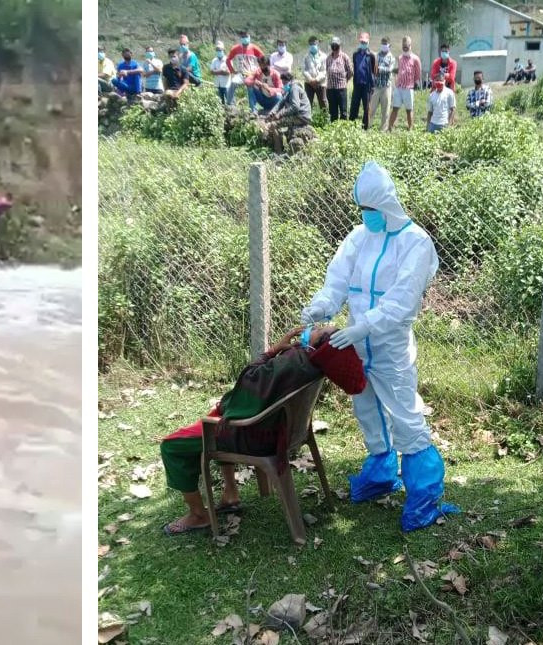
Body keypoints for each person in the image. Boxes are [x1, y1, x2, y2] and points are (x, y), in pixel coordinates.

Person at [301, 161, 457, 532]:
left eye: (370, 209)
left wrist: (363, 328)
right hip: (355, 345)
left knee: (405, 416)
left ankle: (424, 496)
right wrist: (321, 305)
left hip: (388, 347)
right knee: (367, 411)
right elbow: (337, 280)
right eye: (362, 210)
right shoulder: (359, 237)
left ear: (386, 205)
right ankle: (381, 473)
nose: (366, 216)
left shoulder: (415, 242)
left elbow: (402, 301)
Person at [159, 325, 367, 535]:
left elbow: (248, 378)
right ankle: (230, 494)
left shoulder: (292, 363)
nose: (314, 327)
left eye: (320, 329)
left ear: (318, 344)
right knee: (218, 414)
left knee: (172, 445)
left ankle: (197, 515)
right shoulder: (312, 364)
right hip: (279, 432)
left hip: (253, 435)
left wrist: (273, 350)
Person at [264, 72, 313, 152]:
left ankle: (278, 151)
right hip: (297, 115)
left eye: (285, 83)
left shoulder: (295, 88)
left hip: (301, 117)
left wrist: (280, 114)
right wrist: (272, 113)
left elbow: (295, 107)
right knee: (277, 122)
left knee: (274, 125)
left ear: (290, 81)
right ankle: (282, 146)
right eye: (283, 83)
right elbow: (281, 102)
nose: (284, 85)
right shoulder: (289, 89)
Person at [388, 36, 422, 132]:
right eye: (403, 46)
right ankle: (390, 127)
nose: (405, 48)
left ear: (410, 46)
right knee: (395, 108)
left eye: (407, 46)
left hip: (408, 88)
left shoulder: (415, 59)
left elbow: (418, 74)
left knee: (409, 109)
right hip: (399, 87)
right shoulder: (400, 57)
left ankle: (410, 128)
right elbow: (399, 70)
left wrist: (412, 83)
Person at [227, 31, 266, 111]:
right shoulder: (236, 48)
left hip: (251, 74)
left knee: (250, 90)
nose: (245, 38)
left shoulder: (254, 48)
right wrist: (232, 70)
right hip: (241, 73)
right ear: (240, 38)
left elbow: (264, 59)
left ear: (249, 37)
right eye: (243, 37)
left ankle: (253, 109)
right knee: (233, 82)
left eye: (246, 36)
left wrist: (259, 71)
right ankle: (230, 104)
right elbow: (228, 60)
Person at [350, 32, 376, 129]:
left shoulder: (371, 56)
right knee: (354, 106)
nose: (363, 44)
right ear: (359, 42)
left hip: (367, 85)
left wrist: (373, 85)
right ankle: (351, 126)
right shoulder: (355, 54)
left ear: (368, 42)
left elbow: (374, 70)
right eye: (362, 42)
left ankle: (365, 128)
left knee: (366, 108)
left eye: (365, 42)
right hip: (357, 84)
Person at [368, 37, 395, 131]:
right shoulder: (376, 55)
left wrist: (379, 69)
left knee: (385, 111)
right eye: (382, 44)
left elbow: (390, 69)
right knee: (371, 109)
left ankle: (383, 130)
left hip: (386, 87)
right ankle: (368, 127)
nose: (383, 46)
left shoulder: (391, 57)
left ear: (389, 46)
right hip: (376, 86)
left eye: (385, 44)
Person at [325, 36, 353, 122]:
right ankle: (334, 128)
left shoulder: (344, 57)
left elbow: (351, 71)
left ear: (339, 45)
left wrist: (345, 80)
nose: (334, 47)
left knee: (343, 112)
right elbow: (326, 70)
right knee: (333, 112)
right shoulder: (328, 58)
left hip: (341, 89)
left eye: (336, 45)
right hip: (330, 89)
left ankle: (343, 128)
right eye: (333, 45)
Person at [302, 36, 328, 111]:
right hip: (308, 83)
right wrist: (311, 80)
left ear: (317, 44)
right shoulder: (306, 57)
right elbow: (304, 70)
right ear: (309, 45)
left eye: (314, 44)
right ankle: (307, 119)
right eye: (311, 44)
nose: (313, 45)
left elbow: (324, 71)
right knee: (308, 102)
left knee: (323, 102)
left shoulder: (323, 56)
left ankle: (325, 119)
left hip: (321, 83)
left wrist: (316, 80)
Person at [209, 41, 233, 105]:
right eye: (217, 50)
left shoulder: (228, 60)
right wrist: (222, 71)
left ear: (223, 50)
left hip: (226, 85)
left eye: (220, 50)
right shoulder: (214, 60)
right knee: (220, 103)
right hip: (217, 84)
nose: (218, 51)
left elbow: (228, 72)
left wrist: (216, 71)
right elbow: (211, 72)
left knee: (229, 103)